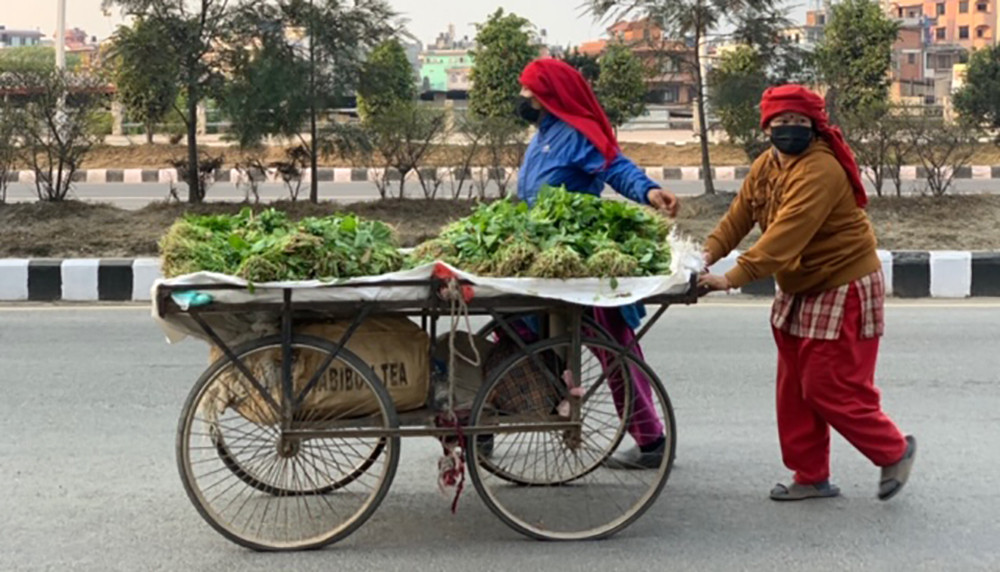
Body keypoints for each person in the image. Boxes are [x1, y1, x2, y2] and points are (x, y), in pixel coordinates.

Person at [698, 84, 917, 501]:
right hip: (800, 283)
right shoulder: (767, 164)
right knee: (794, 386)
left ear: (814, 126)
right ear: (767, 127)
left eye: (799, 122)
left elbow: (786, 235)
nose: (790, 129)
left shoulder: (821, 169)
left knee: (827, 385)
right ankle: (810, 474)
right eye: (781, 122)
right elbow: (738, 217)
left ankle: (893, 450)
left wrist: (732, 277)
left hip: (841, 281)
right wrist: (704, 256)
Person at [513, 58, 679, 469]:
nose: (523, 100)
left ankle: (652, 439)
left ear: (549, 97)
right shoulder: (543, 135)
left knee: (614, 347)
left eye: (529, 93)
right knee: (515, 332)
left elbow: (615, 167)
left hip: (579, 259)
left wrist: (649, 191)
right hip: (540, 256)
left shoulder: (576, 134)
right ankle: (487, 422)